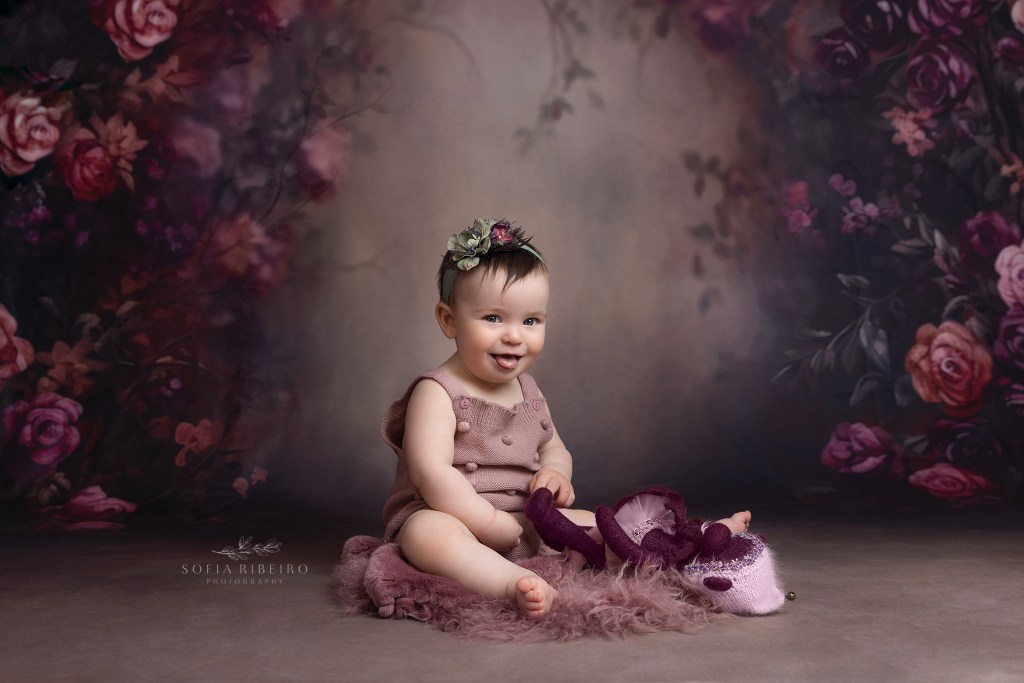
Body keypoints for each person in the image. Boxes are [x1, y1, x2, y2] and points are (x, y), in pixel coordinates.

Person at [380, 218, 752, 618]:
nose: (514, 336)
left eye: (530, 321)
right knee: (426, 536)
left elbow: (553, 446)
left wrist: (556, 473)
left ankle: (695, 545)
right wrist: (484, 521)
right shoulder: (436, 391)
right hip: (451, 513)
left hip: (524, 516)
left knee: (604, 524)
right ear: (449, 319)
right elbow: (430, 472)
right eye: (492, 318)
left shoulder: (529, 391)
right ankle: (510, 584)